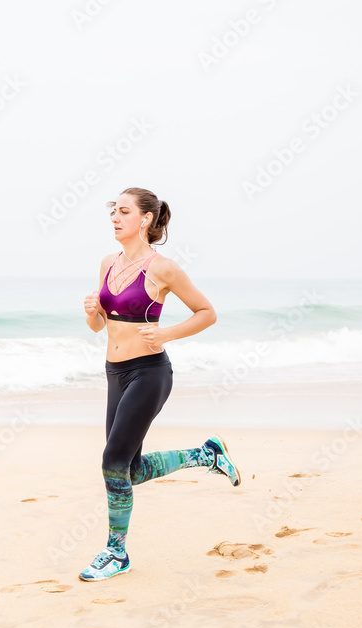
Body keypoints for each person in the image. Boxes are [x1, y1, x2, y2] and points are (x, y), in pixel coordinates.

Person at [79, 187, 241, 582]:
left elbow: (207, 313)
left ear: (145, 219)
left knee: (112, 462)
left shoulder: (162, 268)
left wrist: (166, 335)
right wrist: (91, 313)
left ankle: (116, 553)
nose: (115, 219)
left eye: (124, 212)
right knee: (127, 469)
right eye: (112, 212)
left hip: (149, 373)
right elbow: (101, 325)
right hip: (114, 372)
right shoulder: (107, 263)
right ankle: (207, 455)